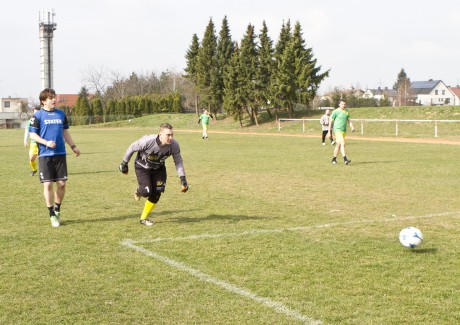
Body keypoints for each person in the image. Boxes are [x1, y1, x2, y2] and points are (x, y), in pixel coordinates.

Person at [119, 123, 189, 226]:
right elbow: (132, 147)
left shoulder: (174, 145)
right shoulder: (148, 141)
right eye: (168, 135)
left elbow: (178, 161)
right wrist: (124, 163)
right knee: (146, 192)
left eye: (172, 135)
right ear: (160, 134)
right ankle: (139, 190)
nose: (171, 137)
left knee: (157, 193)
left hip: (159, 169)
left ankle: (143, 218)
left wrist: (183, 179)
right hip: (142, 167)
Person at [29, 88, 80, 227]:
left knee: (62, 184)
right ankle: (51, 213)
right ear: (43, 101)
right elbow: (32, 135)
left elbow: (65, 132)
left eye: (54, 97)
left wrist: (73, 146)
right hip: (45, 155)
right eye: (50, 98)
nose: (54, 100)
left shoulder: (61, 114)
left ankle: (57, 208)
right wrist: (46, 142)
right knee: (48, 184)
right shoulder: (38, 116)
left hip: (60, 154)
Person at [327, 99, 355, 165]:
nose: (343, 105)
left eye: (344, 104)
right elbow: (330, 122)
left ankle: (334, 159)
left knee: (338, 145)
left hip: (343, 131)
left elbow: (349, 120)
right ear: (339, 104)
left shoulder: (347, 111)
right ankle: (345, 159)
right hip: (337, 130)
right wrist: (329, 132)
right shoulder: (335, 111)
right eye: (342, 104)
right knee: (343, 143)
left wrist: (352, 126)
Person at [24, 106, 41, 176]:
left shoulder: (43, 120)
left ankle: (44, 171)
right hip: (33, 143)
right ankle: (34, 170)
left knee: (43, 159)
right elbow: (27, 131)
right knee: (31, 159)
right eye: (35, 113)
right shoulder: (30, 121)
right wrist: (25, 140)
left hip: (42, 142)